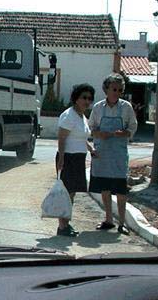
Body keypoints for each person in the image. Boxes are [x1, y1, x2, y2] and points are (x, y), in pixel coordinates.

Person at [89, 74, 138, 235]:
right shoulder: (97, 108)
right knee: (105, 189)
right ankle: (109, 219)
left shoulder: (126, 108)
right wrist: (98, 134)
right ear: (106, 90)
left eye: (119, 90)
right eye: (114, 89)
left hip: (118, 154)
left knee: (121, 190)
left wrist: (124, 133)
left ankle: (122, 223)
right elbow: (90, 128)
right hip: (102, 153)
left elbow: (132, 127)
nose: (117, 92)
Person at [56, 83, 97, 237]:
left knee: (72, 193)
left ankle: (66, 223)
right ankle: (62, 227)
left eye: (89, 98)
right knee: (66, 193)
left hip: (79, 158)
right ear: (76, 99)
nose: (87, 101)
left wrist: (90, 149)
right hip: (68, 158)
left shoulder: (82, 116)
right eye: (83, 97)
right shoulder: (69, 115)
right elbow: (61, 138)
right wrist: (61, 158)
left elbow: (81, 137)